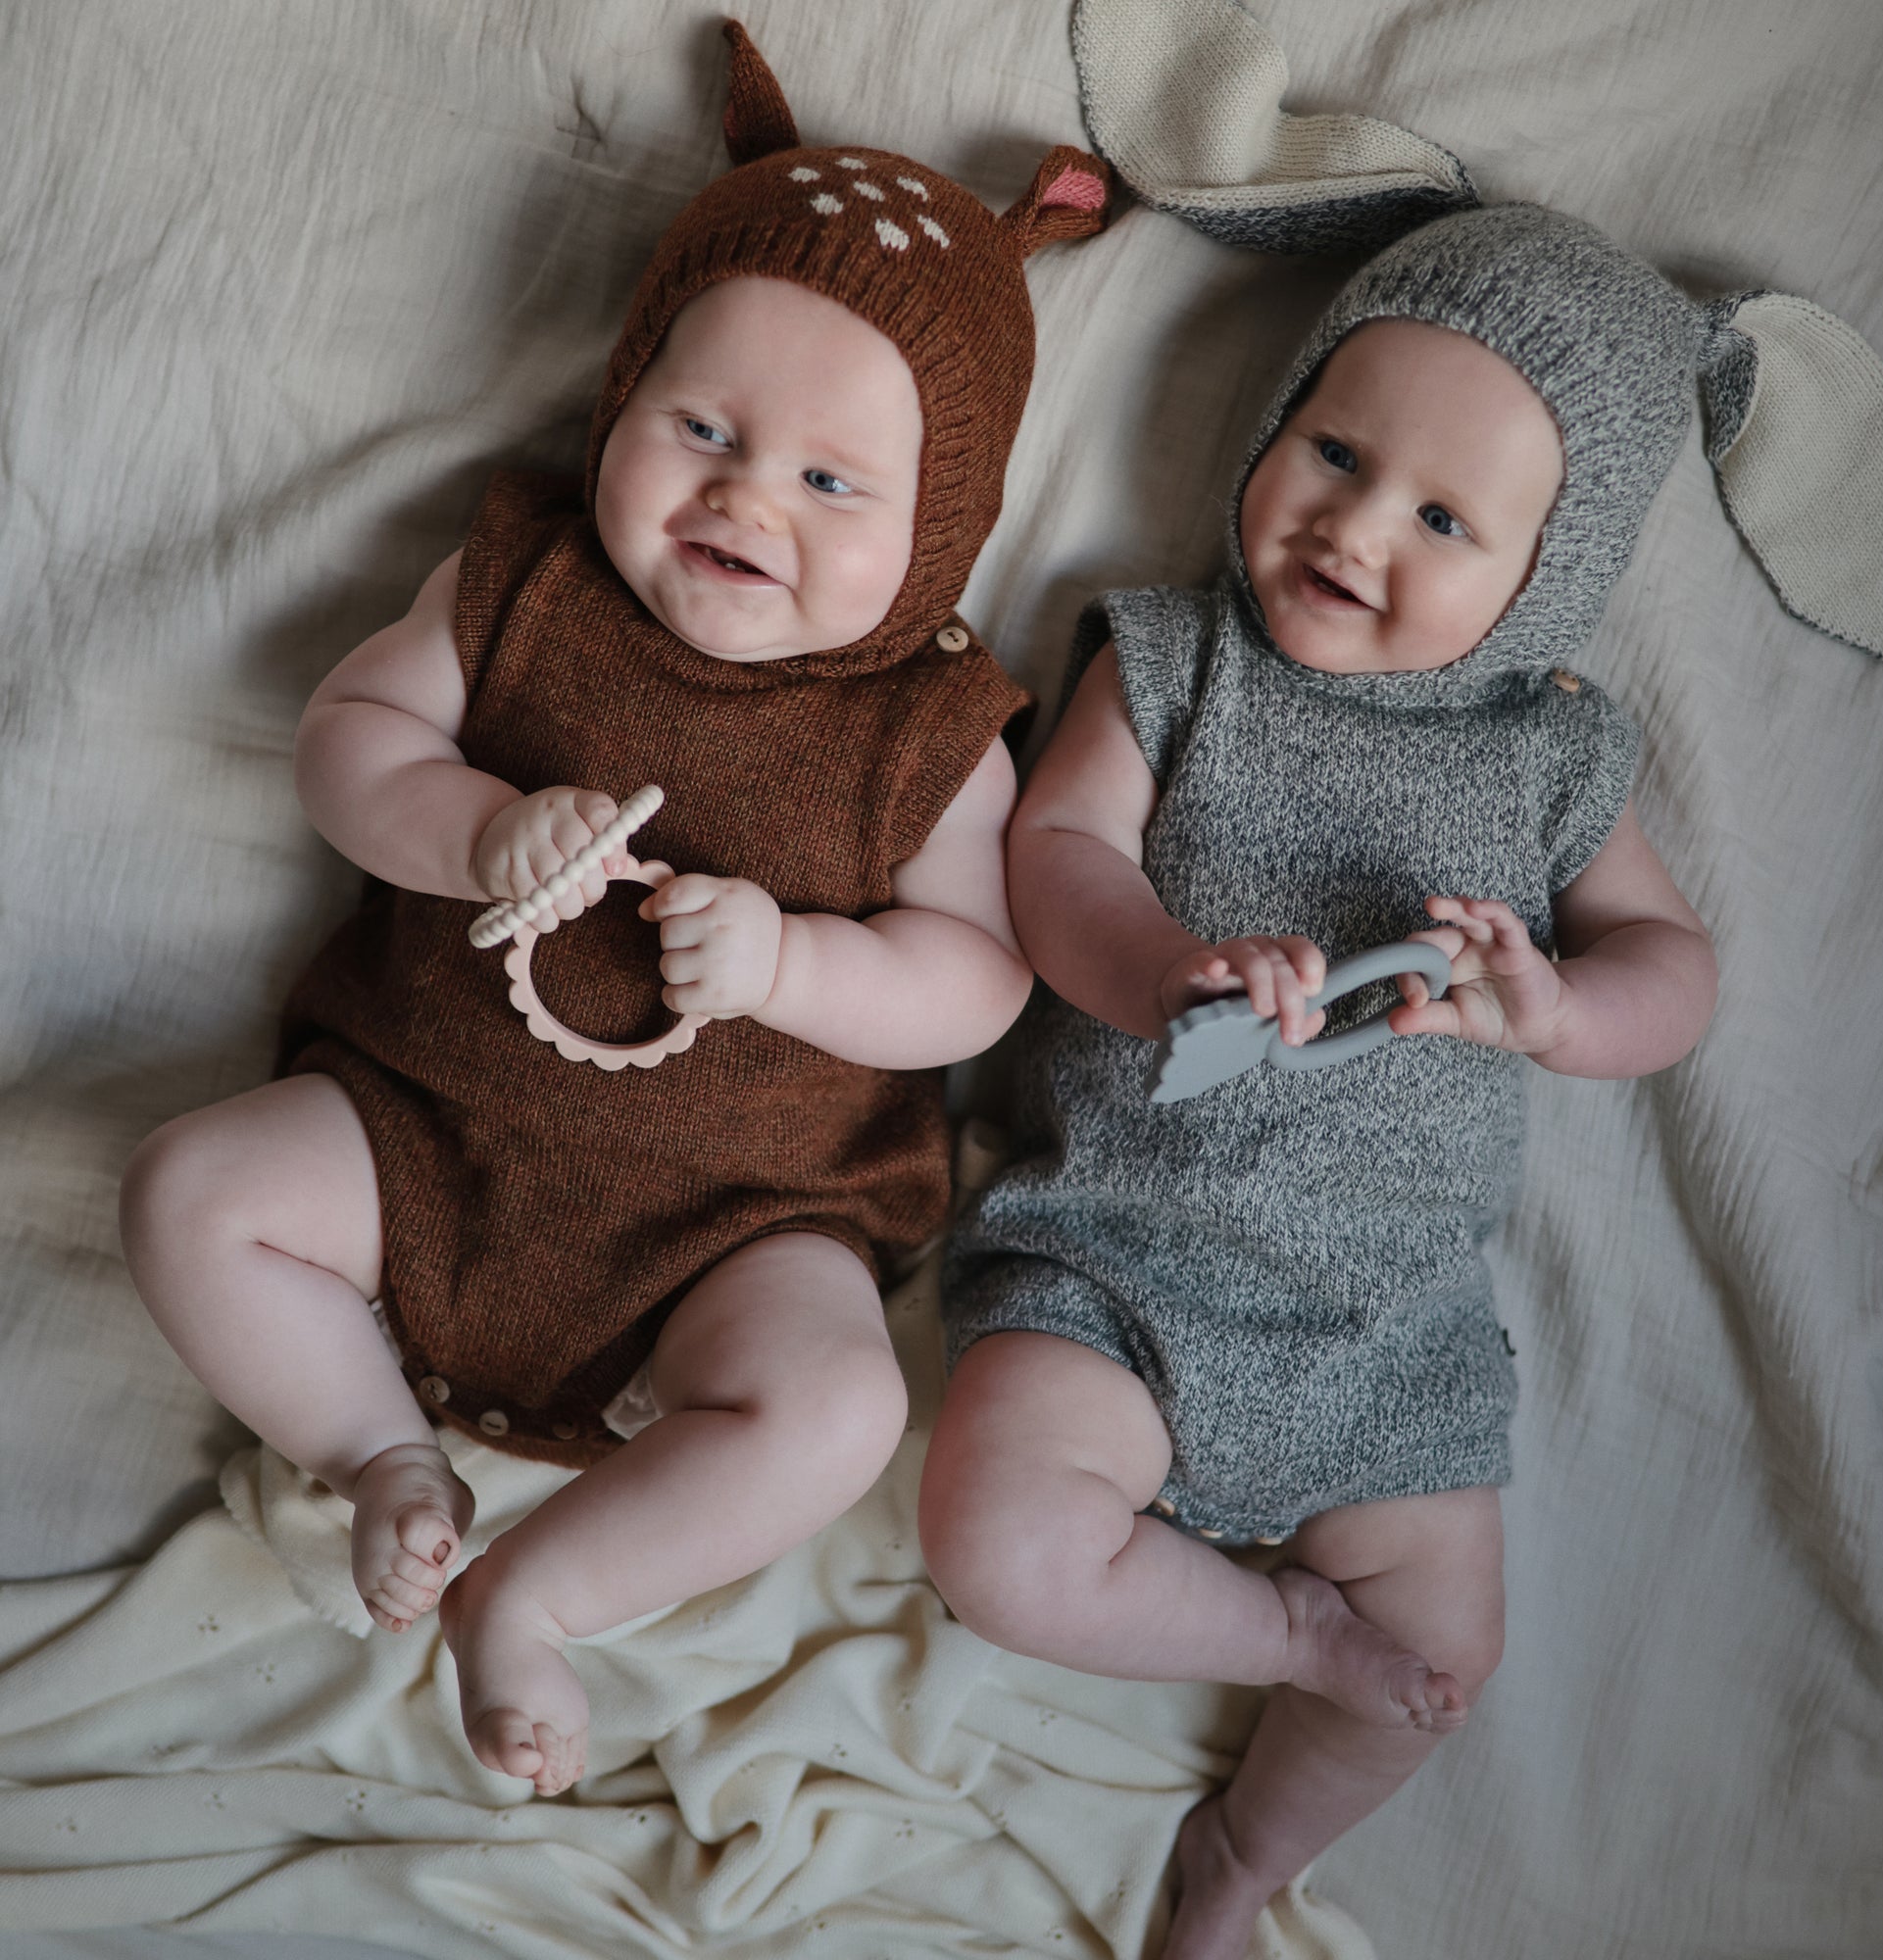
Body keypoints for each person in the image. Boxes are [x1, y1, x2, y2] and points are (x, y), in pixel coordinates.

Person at [118, 23, 1107, 1799]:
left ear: (939, 534)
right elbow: (349, 740)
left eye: (831, 482)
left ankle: (539, 1593)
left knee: (843, 1406)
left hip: (734, 1234)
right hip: (418, 1140)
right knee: (190, 1190)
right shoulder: (529, 585)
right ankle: (378, 1453)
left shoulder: (930, 726)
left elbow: (983, 980)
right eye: (702, 427)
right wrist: (473, 826)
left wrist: (799, 961)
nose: (743, 496)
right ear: (621, 397)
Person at [918, 202, 1728, 1960]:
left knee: (1440, 1666)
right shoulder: (1178, 662)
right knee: (999, 1549)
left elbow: (1677, 969)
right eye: (1335, 450)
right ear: (1272, 419)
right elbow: (1057, 851)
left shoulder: (1551, 749)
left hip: (1390, 1324)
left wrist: (1557, 1014)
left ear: (1548, 576)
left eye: (1444, 518)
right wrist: (1159, 967)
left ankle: (1236, 1865)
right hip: (1114, 1266)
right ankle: (1284, 1637)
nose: (1358, 524)